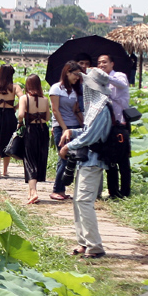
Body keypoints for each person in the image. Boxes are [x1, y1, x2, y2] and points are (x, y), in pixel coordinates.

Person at [58, 68, 112, 259]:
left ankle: (95, 246)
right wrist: (72, 131)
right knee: (77, 202)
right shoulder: (95, 108)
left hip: (94, 161)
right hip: (86, 160)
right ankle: (83, 242)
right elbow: (87, 132)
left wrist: (68, 146)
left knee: (84, 201)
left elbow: (91, 136)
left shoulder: (102, 108)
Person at [49, 61, 84, 201]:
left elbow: (75, 110)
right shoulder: (56, 88)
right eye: (76, 74)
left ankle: (62, 190)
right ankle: (57, 190)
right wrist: (64, 128)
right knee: (65, 158)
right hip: (61, 127)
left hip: (74, 126)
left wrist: (84, 125)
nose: (77, 77)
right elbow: (55, 110)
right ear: (67, 72)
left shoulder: (75, 90)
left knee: (71, 159)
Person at [98, 54, 131, 199]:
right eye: (99, 63)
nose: (101, 65)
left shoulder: (119, 76)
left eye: (104, 62)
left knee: (123, 161)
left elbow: (122, 85)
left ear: (112, 63)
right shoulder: (100, 81)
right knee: (110, 159)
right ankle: (113, 191)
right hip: (107, 126)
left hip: (121, 124)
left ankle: (125, 192)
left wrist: (105, 79)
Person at [18, 74, 51, 204]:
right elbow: (47, 118)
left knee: (30, 160)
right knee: (39, 159)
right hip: (43, 131)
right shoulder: (45, 99)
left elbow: (20, 114)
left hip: (30, 130)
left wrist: (20, 121)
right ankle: (31, 191)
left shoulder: (24, 98)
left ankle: (34, 192)